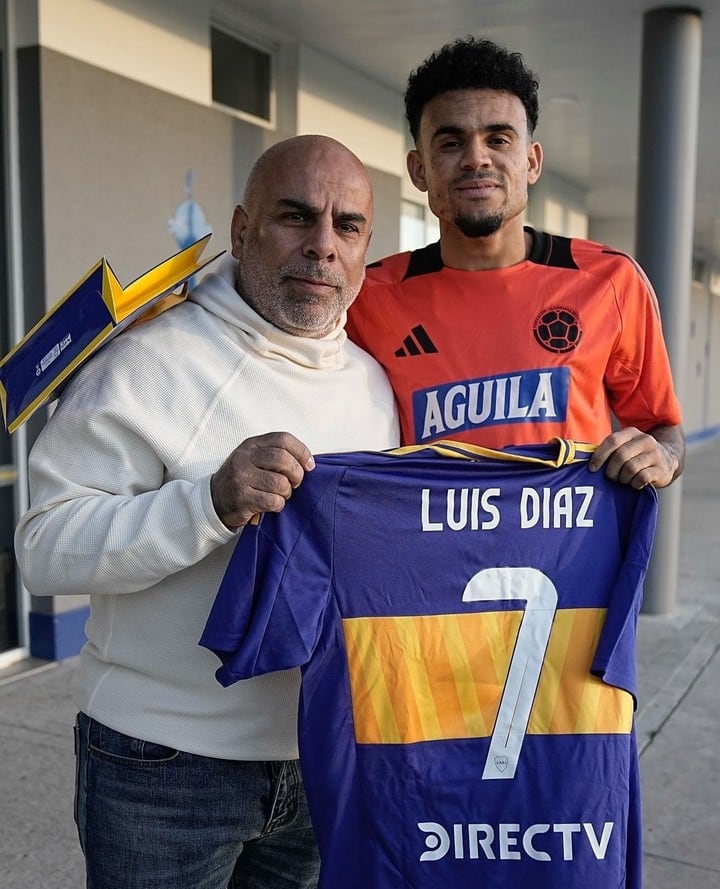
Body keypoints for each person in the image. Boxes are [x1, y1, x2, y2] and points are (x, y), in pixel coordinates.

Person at [14, 134, 399, 889]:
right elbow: (41, 548)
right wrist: (210, 503)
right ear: (240, 229)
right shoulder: (145, 360)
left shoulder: (375, 383)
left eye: (347, 226)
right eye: (295, 216)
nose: (322, 246)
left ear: (365, 249)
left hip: (319, 760)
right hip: (160, 768)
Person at [347, 36, 685, 490]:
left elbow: (663, 430)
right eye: (450, 143)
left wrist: (661, 455)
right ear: (419, 170)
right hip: (429, 559)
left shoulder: (610, 281)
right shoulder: (368, 298)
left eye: (498, 138)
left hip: (567, 561)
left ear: (531, 160)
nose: (476, 158)